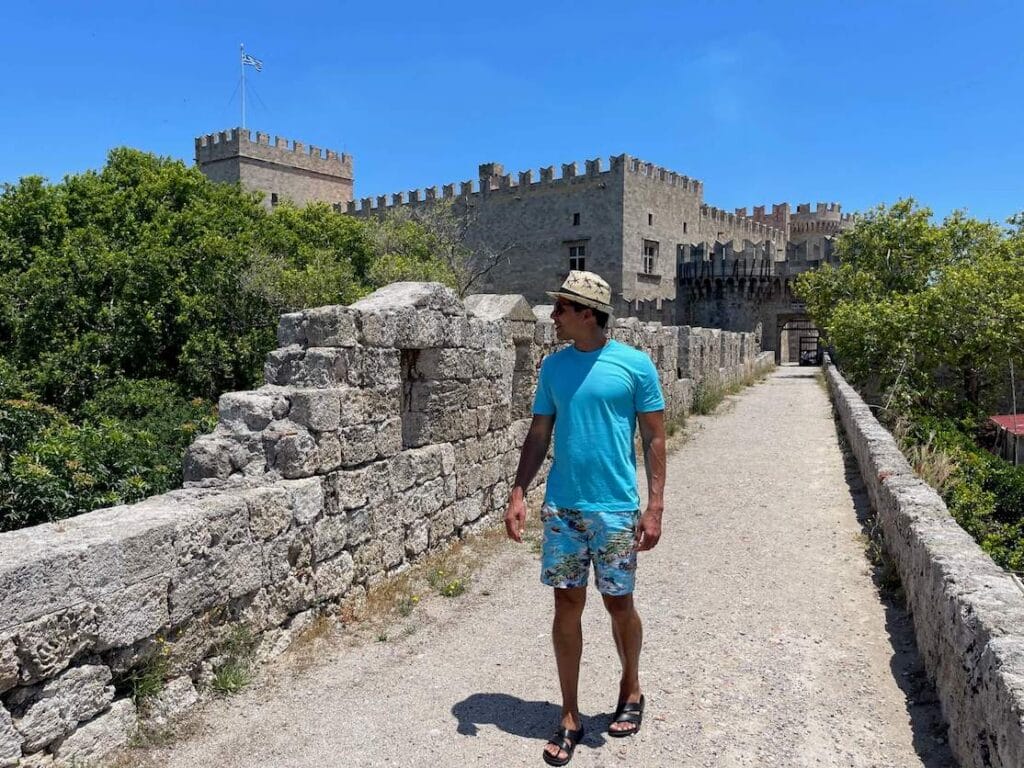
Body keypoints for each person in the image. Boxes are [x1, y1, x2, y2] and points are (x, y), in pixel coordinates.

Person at [504, 270, 667, 766]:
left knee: (619, 604)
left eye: (561, 309)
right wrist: (517, 490)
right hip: (564, 509)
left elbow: (655, 438)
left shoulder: (635, 366)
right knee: (565, 607)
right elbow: (538, 434)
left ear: (587, 314)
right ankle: (570, 715)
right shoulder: (553, 368)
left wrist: (654, 505)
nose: (552, 316)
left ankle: (631, 686)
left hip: (616, 508)